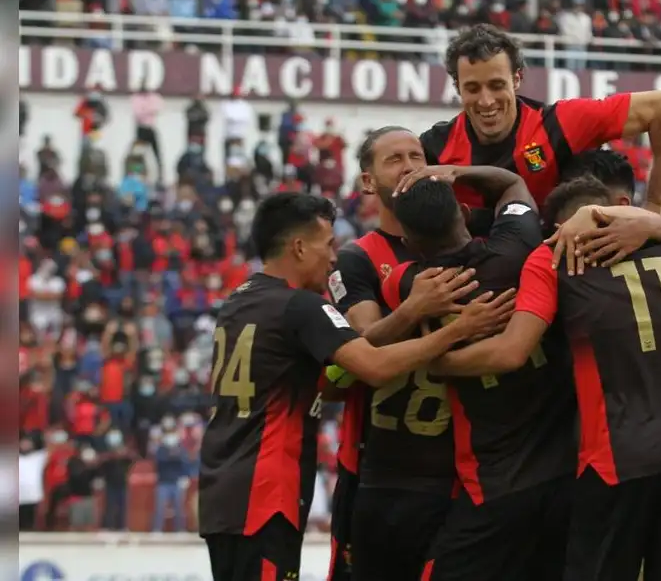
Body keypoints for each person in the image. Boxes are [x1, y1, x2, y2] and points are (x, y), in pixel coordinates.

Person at [425, 175, 661, 581]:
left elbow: (511, 351)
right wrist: (658, 226)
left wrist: (439, 362)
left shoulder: (554, 257)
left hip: (616, 463)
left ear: (561, 228)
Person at [197, 192, 515, 581]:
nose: (333, 258)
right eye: (328, 244)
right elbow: (375, 367)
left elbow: (331, 379)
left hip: (222, 492)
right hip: (265, 494)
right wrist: (459, 330)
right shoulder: (303, 307)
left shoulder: (238, 301)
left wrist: (404, 318)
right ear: (299, 247)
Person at [328, 126, 530, 581]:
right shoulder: (358, 257)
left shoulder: (470, 229)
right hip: (387, 465)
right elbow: (358, 351)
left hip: (465, 471)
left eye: (416, 156)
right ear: (367, 182)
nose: (409, 167)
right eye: (394, 160)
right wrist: (413, 310)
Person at [416, 23, 661, 220]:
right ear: (457, 87)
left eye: (497, 86)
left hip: (555, 262)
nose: (486, 101)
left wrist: (656, 208)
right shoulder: (434, 147)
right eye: (473, 89)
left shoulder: (559, 124)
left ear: (517, 79)